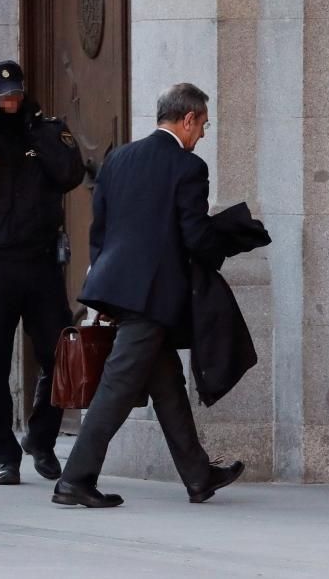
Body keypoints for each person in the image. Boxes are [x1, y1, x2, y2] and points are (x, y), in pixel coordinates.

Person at [52, 83, 245, 508]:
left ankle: (198, 476)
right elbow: (195, 236)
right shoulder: (187, 167)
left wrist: (104, 284)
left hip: (118, 288)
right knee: (116, 387)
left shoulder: (119, 157)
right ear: (189, 118)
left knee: (167, 382)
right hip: (153, 296)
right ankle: (74, 480)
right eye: (204, 125)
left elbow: (99, 229)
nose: (203, 135)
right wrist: (228, 241)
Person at [0, 60, 85, 485]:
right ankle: (3, 455)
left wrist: (35, 133)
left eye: (16, 93)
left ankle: (41, 440)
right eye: (3, 94)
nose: (11, 100)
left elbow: (70, 174)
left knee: (57, 355)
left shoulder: (47, 131)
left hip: (41, 263)